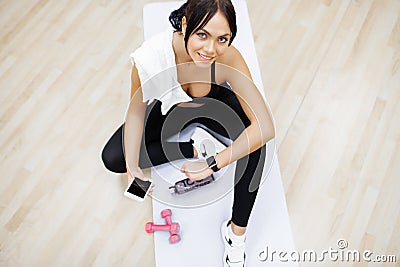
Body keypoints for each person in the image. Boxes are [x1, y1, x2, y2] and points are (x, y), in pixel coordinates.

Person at [101, 0, 274, 266]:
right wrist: (134, 166)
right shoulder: (150, 57)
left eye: (222, 39)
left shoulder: (228, 57)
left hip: (212, 104)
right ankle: (190, 146)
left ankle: (235, 235)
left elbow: (265, 125)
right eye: (202, 35)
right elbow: (136, 111)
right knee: (114, 158)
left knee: (255, 145)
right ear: (184, 24)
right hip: (170, 107)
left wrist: (214, 162)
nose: (210, 49)